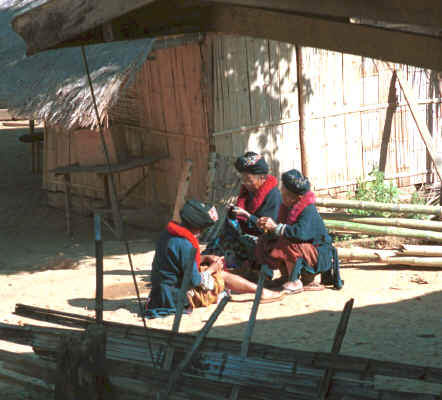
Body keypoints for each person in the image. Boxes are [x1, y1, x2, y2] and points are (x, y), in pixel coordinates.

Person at [145, 199, 284, 318]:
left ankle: (257, 291)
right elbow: (195, 281)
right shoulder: (186, 245)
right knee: (221, 275)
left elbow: (177, 261)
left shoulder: (168, 235)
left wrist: (205, 258)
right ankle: (261, 292)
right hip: (175, 296)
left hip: (160, 291)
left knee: (213, 271)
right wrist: (212, 269)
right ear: (197, 228)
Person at [255, 169, 343, 293]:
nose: (282, 196)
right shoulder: (287, 209)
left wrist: (275, 227)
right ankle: (286, 277)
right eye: (282, 192)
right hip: (304, 249)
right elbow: (282, 229)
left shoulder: (308, 210)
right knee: (267, 240)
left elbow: (299, 234)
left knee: (288, 243)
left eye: (285, 194)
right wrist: (267, 227)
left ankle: (296, 280)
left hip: (320, 254)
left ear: (298, 197)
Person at [204, 152, 282, 268]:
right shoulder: (248, 192)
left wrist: (247, 216)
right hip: (247, 235)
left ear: (262, 178)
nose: (245, 183)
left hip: (265, 241)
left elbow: (268, 228)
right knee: (223, 238)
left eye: (249, 180)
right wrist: (233, 212)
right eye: (243, 179)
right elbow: (241, 222)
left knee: (236, 246)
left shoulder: (273, 196)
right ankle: (206, 259)